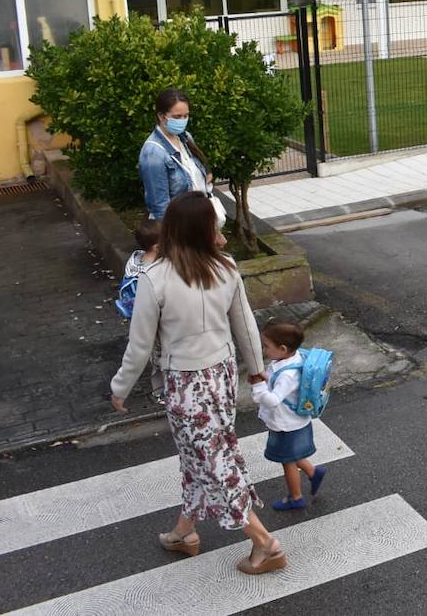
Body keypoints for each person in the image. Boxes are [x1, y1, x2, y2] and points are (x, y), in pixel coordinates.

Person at [109, 191, 283, 575]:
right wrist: (255, 369)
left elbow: (139, 345)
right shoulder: (225, 267)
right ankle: (184, 532)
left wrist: (120, 388)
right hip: (221, 376)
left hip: (185, 384)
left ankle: (265, 543)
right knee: (201, 456)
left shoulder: (153, 278)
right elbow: (246, 326)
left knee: (214, 461)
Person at [251, 321, 328, 511]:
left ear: (282, 348)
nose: (264, 349)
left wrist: (257, 386)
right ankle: (313, 472)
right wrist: (264, 376)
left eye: (266, 346)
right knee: (292, 455)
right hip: (293, 421)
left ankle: (296, 497)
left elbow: (273, 399)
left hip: (287, 424)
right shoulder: (294, 358)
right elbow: (278, 383)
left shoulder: (288, 374)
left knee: (287, 461)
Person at [139, 88, 223, 227]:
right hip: (181, 227)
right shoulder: (153, 153)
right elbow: (159, 205)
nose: (183, 121)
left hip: (200, 219)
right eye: (177, 117)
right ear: (161, 116)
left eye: (186, 116)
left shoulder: (185, 137)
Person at [116, 219, 161, 319]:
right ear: (157, 247)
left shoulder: (134, 259)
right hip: (150, 314)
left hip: (134, 309)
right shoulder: (156, 268)